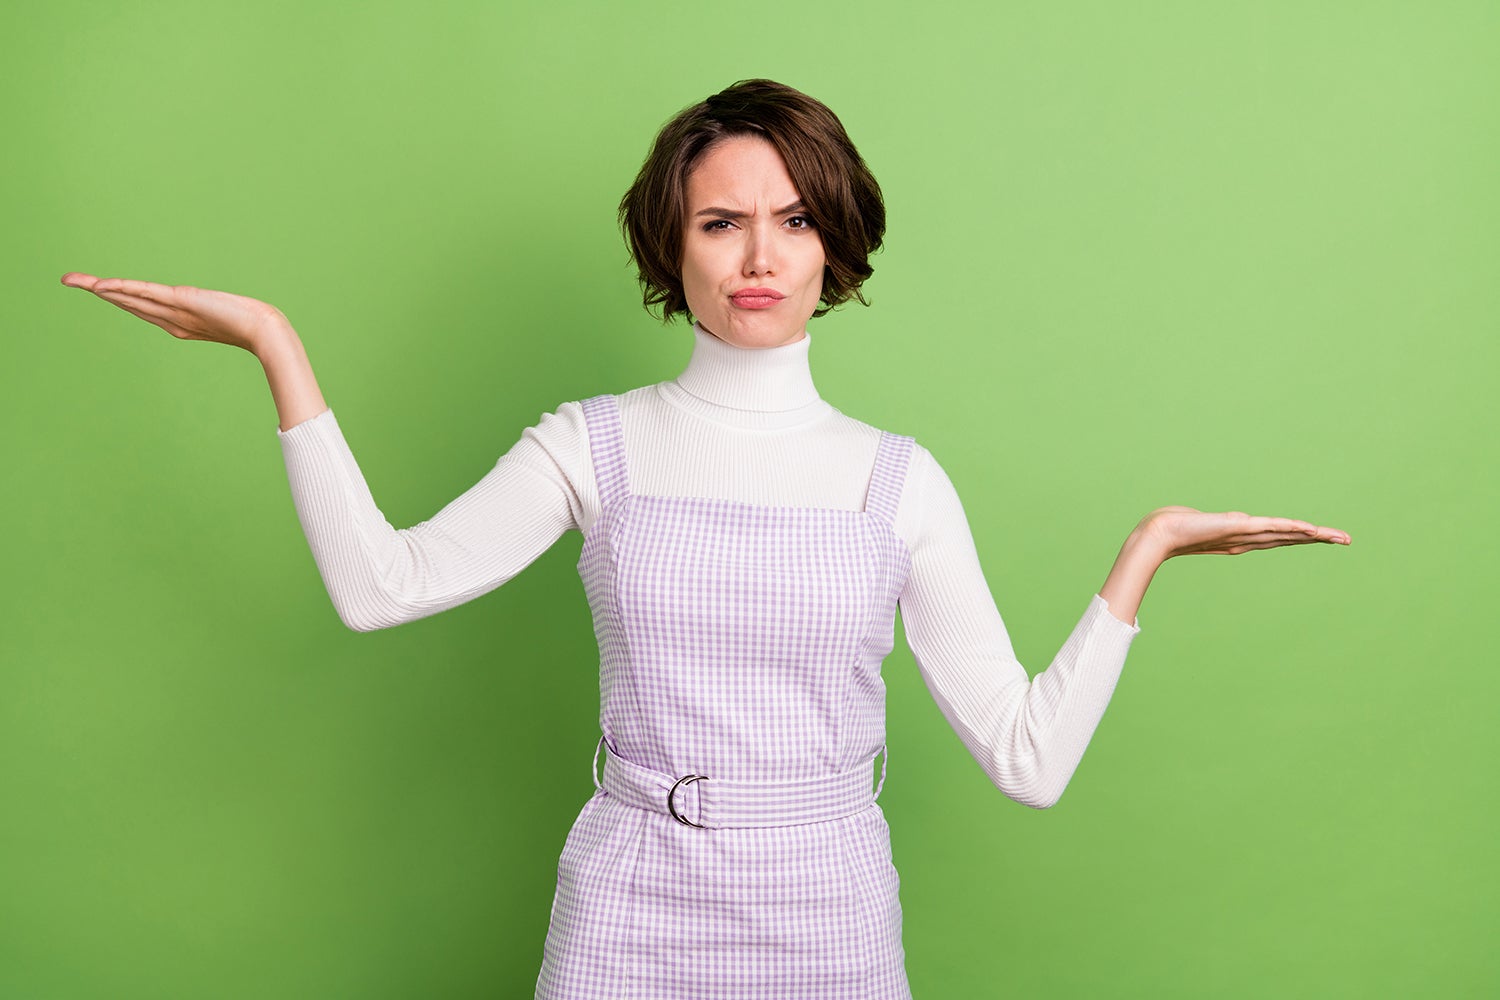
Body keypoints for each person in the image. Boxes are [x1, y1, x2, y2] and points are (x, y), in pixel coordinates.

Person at [62, 79, 1349, 1000]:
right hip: (628, 905)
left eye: (795, 219)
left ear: (835, 244)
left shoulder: (896, 483)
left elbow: (1029, 759)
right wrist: (277, 348)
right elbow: (379, 586)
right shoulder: (591, 443)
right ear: (669, 244)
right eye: (721, 220)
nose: (760, 256)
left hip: (831, 916)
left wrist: (1147, 554)